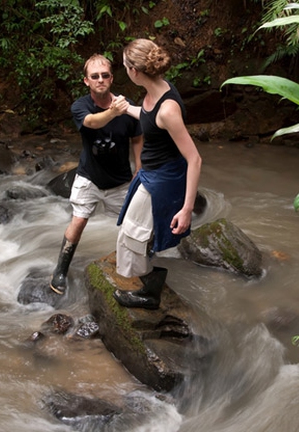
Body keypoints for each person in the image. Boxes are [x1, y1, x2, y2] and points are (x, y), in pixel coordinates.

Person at [112, 39, 202, 310]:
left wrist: (186, 209)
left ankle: (151, 290)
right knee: (133, 231)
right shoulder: (157, 89)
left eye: (125, 66)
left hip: (163, 178)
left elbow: (195, 158)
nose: (124, 70)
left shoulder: (168, 109)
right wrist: (127, 108)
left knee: (129, 237)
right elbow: (150, 119)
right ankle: (151, 273)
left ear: (135, 72)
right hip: (151, 172)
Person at [49, 54, 143, 295]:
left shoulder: (127, 105)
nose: (100, 80)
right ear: (86, 81)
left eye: (104, 75)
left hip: (121, 179)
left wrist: (140, 170)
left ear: (111, 78)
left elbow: (137, 138)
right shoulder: (80, 106)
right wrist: (114, 112)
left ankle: (132, 270)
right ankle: (60, 269)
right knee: (78, 221)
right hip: (89, 177)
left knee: (133, 227)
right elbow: (91, 122)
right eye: (95, 77)